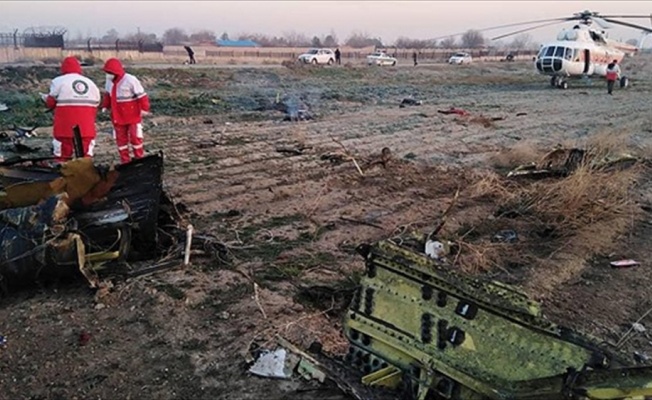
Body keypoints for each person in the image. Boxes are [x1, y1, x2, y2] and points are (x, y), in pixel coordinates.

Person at [42, 56, 101, 162]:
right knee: (85, 156)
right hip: (86, 127)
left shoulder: (58, 82)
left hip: (65, 126)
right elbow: (97, 103)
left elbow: (50, 103)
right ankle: (86, 175)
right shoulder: (91, 83)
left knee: (63, 155)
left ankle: (63, 174)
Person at [101, 58, 151, 164]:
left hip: (132, 115)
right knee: (120, 139)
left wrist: (144, 108)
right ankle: (125, 160)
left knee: (135, 137)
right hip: (117, 115)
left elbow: (141, 95)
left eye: (110, 72)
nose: (108, 75)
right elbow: (108, 95)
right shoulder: (109, 82)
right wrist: (105, 106)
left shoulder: (130, 80)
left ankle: (139, 157)